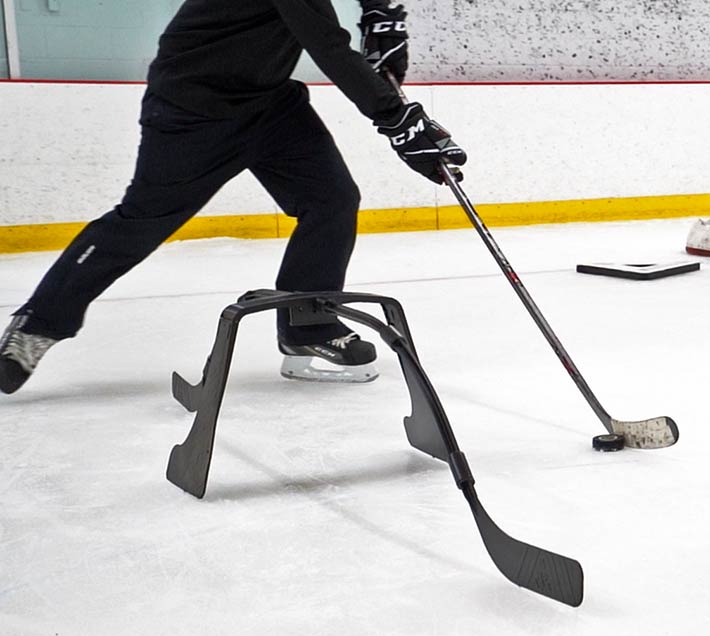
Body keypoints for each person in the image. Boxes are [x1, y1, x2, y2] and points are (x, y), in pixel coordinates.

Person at [0, 0, 466, 394]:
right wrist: (397, 120)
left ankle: (308, 325)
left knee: (332, 200)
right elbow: (326, 45)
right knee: (141, 220)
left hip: (269, 103)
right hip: (193, 106)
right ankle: (37, 324)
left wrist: (378, 9)